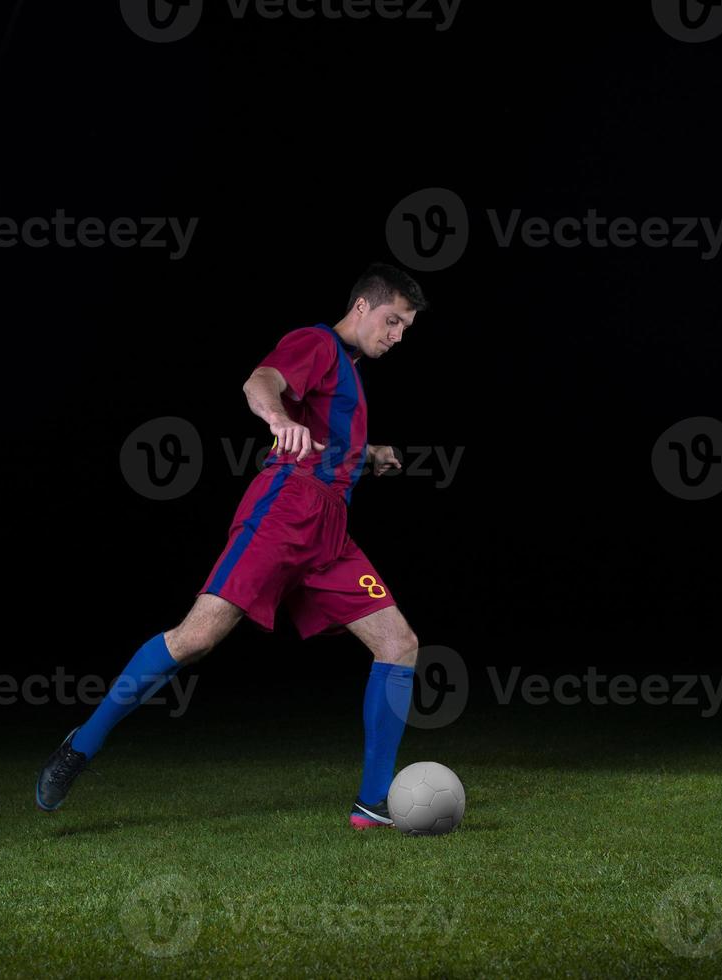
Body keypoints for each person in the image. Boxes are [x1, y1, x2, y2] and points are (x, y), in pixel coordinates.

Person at [36, 262, 429, 829]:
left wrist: (369, 453)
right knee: (195, 638)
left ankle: (372, 805)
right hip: (285, 510)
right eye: (393, 321)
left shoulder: (349, 368)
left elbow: (325, 433)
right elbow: (259, 381)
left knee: (399, 642)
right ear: (363, 307)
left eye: (406, 329)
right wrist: (275, 417)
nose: (396, 336)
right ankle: (82, 745)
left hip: (331, 530)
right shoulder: (316, 342)